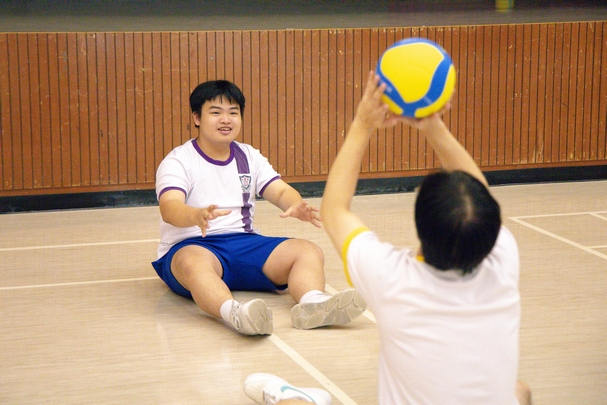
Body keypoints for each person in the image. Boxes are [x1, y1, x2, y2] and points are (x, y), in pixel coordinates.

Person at [242, 72, 532, 404]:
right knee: (519, 391)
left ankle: (290, 397)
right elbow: (479, 196)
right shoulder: (503, 257)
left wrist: (362, 124)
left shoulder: (393, 277)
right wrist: (434, 127)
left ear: (419, 225)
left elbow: (334, 210)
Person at [152, 80, 367, 336]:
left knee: (307, 251)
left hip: (245, 243)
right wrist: (196, 215)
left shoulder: (249, 156)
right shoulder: (179, 160)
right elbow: (170, 208)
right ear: (197, 118)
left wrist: (295, 204)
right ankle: (235, 314)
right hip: (193, 245)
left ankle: (313, 304)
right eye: (216, 112)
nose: (226, 119)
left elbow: (280, 191)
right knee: (192, 263)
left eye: (233, 112)